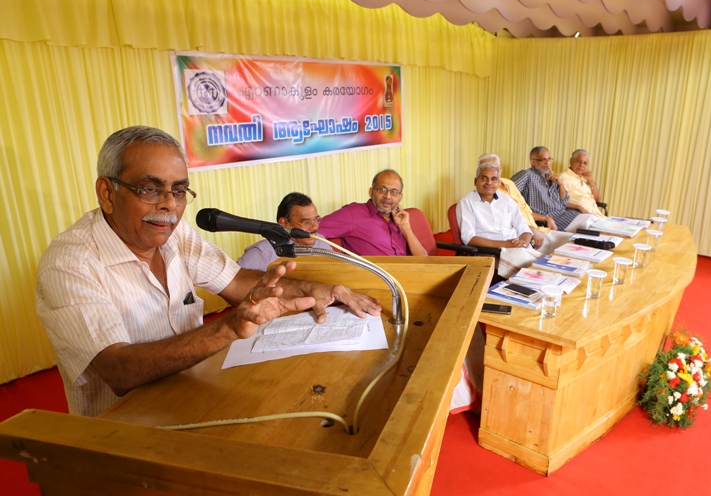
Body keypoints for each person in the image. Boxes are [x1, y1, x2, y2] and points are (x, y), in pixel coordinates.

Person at [36, 126, 381, 417]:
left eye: (179, 191)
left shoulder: (175, 234)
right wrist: (227, 329)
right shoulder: (69, 264)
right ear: (107, 193)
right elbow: (118, 370)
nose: (169, 204)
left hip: (198, 397)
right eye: (150, 189)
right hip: (124, 433)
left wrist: (322, 291)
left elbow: (237, 280)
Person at [457, 163, 544, 277]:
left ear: (498, 183)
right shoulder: (466, 203)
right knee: (533, 273)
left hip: (516, 248)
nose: (489, 183)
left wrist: (523, 243)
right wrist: (505, 245)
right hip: (491, 252)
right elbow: (469, 238)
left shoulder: (506, 200)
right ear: (475, 181)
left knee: (543, 265)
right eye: (484, 178)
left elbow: (522, 226)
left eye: (494, 179)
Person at [318, 169, 428, 256]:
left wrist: (405, 228)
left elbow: (424, 259)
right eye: (382, 189)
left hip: (408, 274)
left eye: (394, 192)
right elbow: (313, 229)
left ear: (400, 197)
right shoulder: (353, 214)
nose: (387, 196)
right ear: (371, 192)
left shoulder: (400, 219)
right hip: (376, 277)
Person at [476, 154, 571, 251]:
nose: (489, 170)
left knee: (569, 240)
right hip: (520, 235)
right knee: (565, 249)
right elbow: (504, 223)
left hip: (535, 228)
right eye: (484, 168)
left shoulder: (509, 183)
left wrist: (546, 218)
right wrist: (530, 229)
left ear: (500, 168)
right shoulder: (488, 193)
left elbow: (524, 209)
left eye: (492, 166)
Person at [238, 192, 332, 271]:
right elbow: (235, 282)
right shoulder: (262, 253)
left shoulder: (321, 243)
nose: (315, 226)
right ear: (284, 223)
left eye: (316, 220)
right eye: (306, 222)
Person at [511, 146, 597, 232]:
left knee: (593, 221)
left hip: (564, 214)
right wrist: (544, 218)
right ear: (533, 162)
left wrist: (561, 184)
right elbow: (508, 193)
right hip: (547, 219)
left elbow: (563, 202)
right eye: (543, 160)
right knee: (590, 222)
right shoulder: (527, 174)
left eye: (549, 159)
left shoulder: (551, 177)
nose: (547, 163)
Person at [559, 149, 605, 216]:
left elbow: (597, 200)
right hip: (579, 215)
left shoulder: (585, 177)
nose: (581, 165)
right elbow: (558, 201)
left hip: (596, 214)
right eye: (578, 161)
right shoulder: (563, 177)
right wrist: (579, 207)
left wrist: (591, 181)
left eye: (585, 163)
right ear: (571, 161)